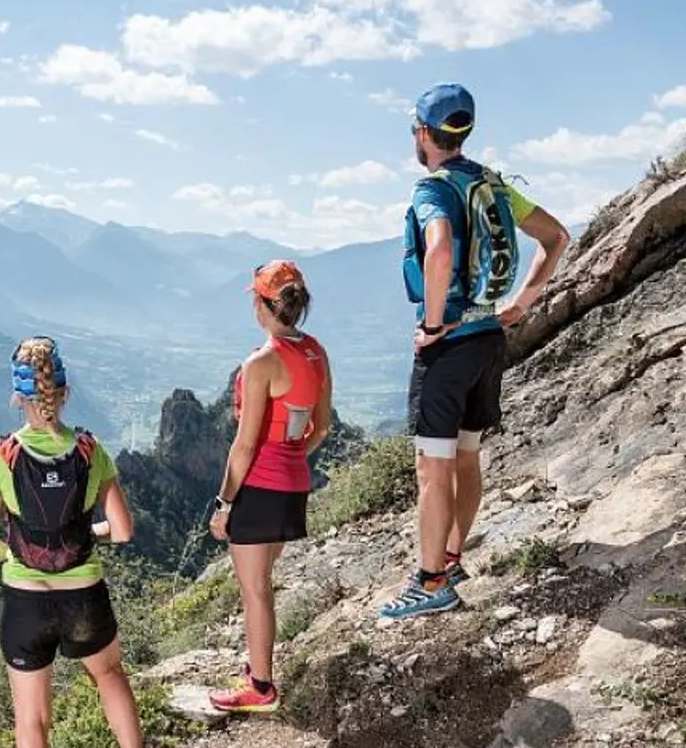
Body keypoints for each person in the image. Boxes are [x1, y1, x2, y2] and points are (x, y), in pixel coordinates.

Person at [379, 82, 570, 621]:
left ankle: (431, 581)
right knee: (466, 456)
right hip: (490, 341)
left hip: (451, 347)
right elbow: (556, 237)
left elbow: (438, 250)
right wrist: (521, 305)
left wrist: (436, 324)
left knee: (432, 469)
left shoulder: (432, 189)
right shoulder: (494, 185)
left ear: (423, 132)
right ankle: (453, 557)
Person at [0, 336, 155, 748]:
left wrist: (22, 554)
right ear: (65, 391)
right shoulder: (90, 451)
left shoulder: (0, 456)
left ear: (16, 397)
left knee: (32, 720)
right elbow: (122, 530)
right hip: (83, 594)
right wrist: (82, 534)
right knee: (110, 676)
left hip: (25, 603)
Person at [206, 260, 333, 714]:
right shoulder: (315, 351)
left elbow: (243, 447)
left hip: (259, 485)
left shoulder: (260, 363)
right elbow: (321, 428)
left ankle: (260, 687)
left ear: (262, 304)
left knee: (254, 588)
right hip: (293, 484)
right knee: (260, 582)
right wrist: (292, 456)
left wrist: (224, 504)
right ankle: (257, 668)